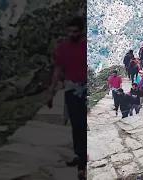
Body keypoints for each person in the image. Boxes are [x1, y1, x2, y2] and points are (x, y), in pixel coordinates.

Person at [46, 16, 87, 179]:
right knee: (76, 125)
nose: (71, 34)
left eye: (75, 31)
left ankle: (82, 165)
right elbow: (58, 69)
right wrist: (51, 91)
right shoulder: (63, 47)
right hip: (71, 89)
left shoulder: (88, 46)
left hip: (87, 90)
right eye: (69, 31)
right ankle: (79, 155)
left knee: (83, 125)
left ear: (81, 31)